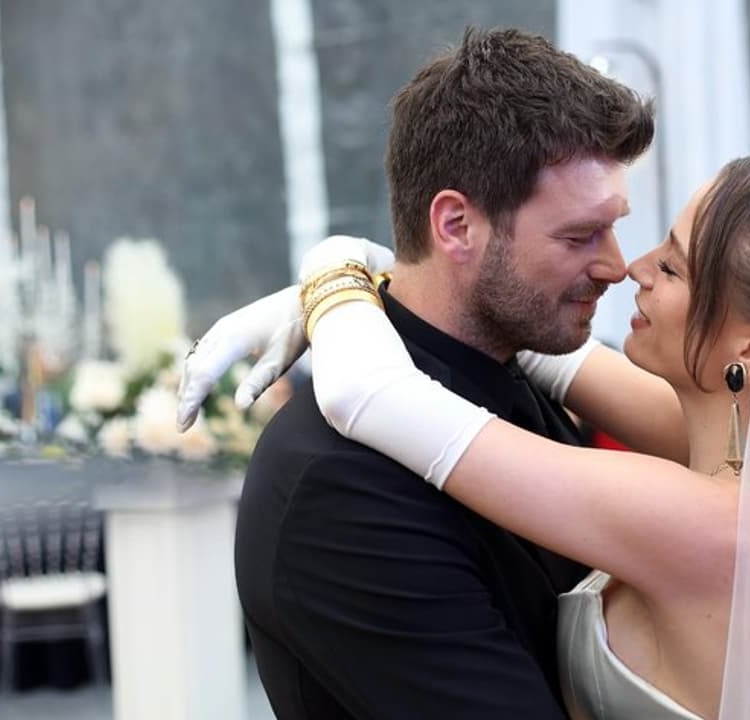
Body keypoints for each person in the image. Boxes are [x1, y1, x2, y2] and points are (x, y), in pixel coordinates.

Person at [182, 160, 750, 718]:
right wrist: (395, 271)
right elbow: (541, 348)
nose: (627, 268)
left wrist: (330, 267)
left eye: (672, 264)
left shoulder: (712, 528)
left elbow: (370, 394)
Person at [180, 27, 654, 719]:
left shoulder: (519, 361)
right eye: (580, 235)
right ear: (456, 226)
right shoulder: (339, 485)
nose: (617, 266)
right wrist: (340, 275)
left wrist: (340, 271)